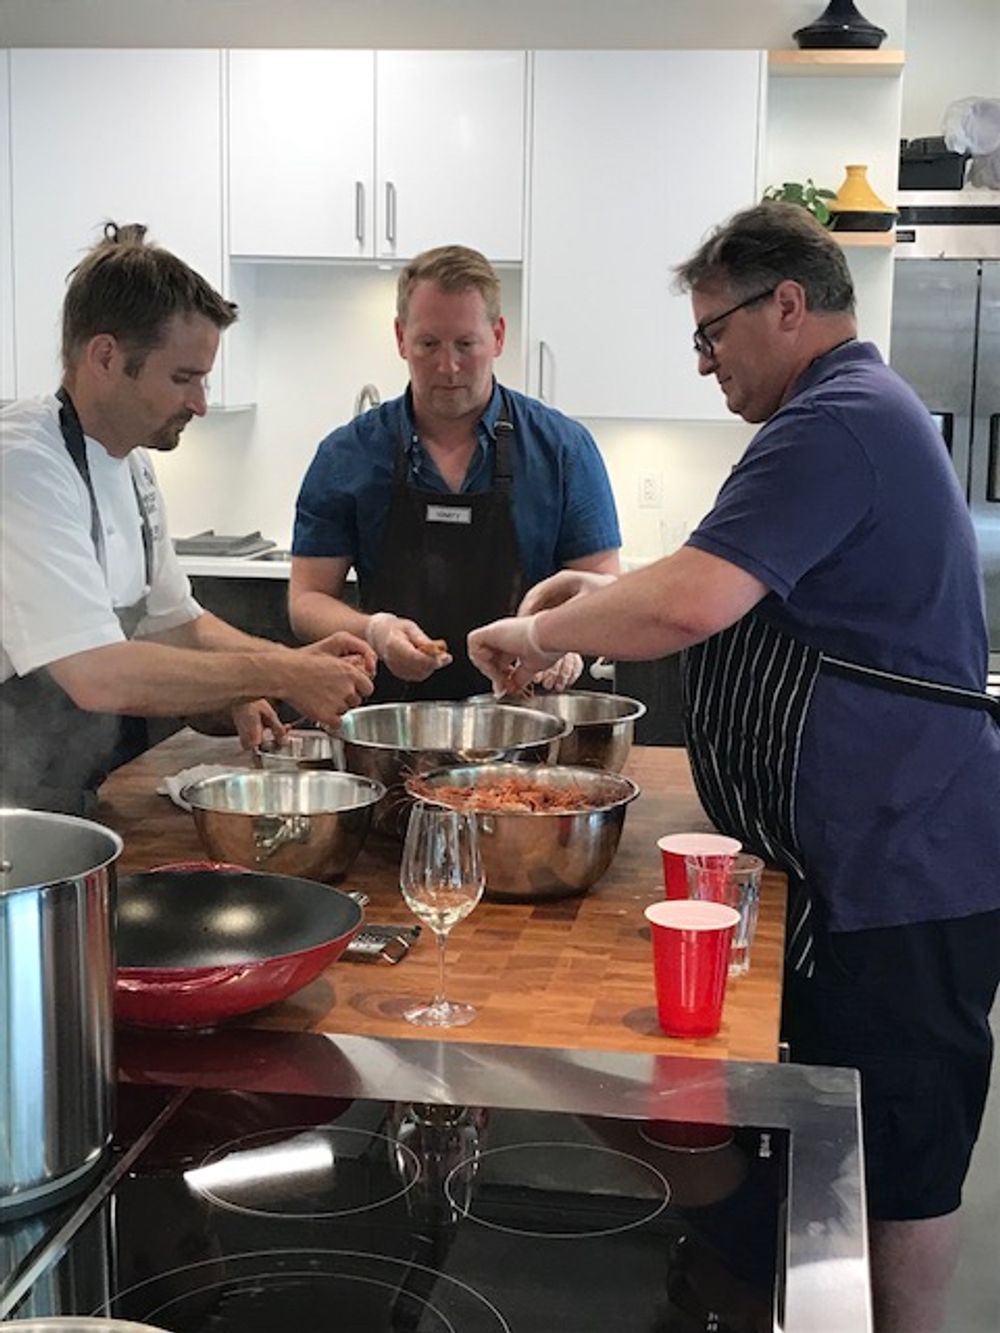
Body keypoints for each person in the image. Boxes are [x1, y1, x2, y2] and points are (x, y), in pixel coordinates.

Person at [468, 203, 1000, 1333]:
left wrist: (535, 633)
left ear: (787, 305)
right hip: (859, 863)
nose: (705, 361)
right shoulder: (835, 414)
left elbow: (695, 601)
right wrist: (592, 598)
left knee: (900, 1163)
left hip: (905, 867)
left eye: (712, 333)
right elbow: (721, 572)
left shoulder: (839, 416)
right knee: (833, 1146)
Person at [0, 222, 375, 817]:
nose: (200, 402)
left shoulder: (132, 463)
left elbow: (176, 623)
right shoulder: (23, 466)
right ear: (105, 356)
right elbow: (97, 673)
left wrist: (294, 665)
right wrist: (279, 672)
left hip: (64, 788)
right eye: (183, 378)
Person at [288, 243, 621, 702]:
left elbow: (605, 591)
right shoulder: (346, 455)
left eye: (466, 344)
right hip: (392, 722)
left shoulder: (564, 449)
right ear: (400, 337)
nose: (448, 366)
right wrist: (376, 630)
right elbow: (306, 601)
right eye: (429, 344)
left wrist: (566, 643)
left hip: (529, 715)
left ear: (498, 337)